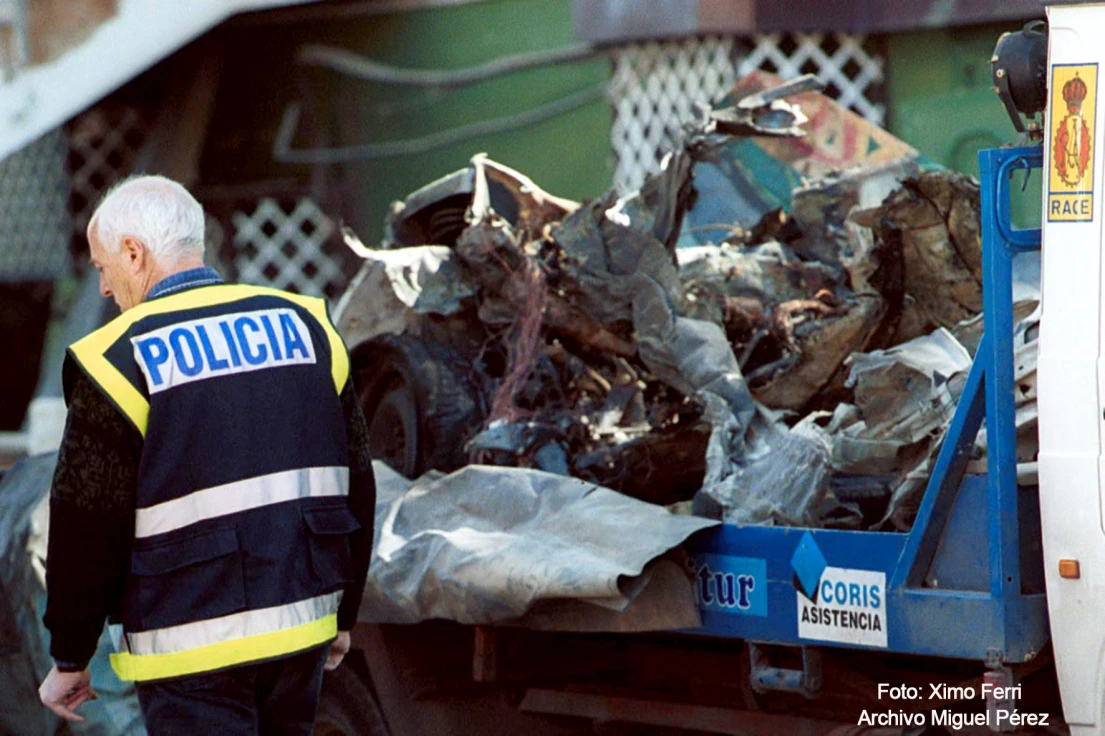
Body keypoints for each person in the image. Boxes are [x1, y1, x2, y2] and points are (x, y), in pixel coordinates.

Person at [37, 175, 376, 735]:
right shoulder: (309, 326)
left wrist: (70, 655)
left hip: (188, 648)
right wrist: (344, 614)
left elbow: (85, 525)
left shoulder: (115, 361)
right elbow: (356, 481)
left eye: (102, 267)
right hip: (300, 631)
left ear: (133, 252)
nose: (102, 287)